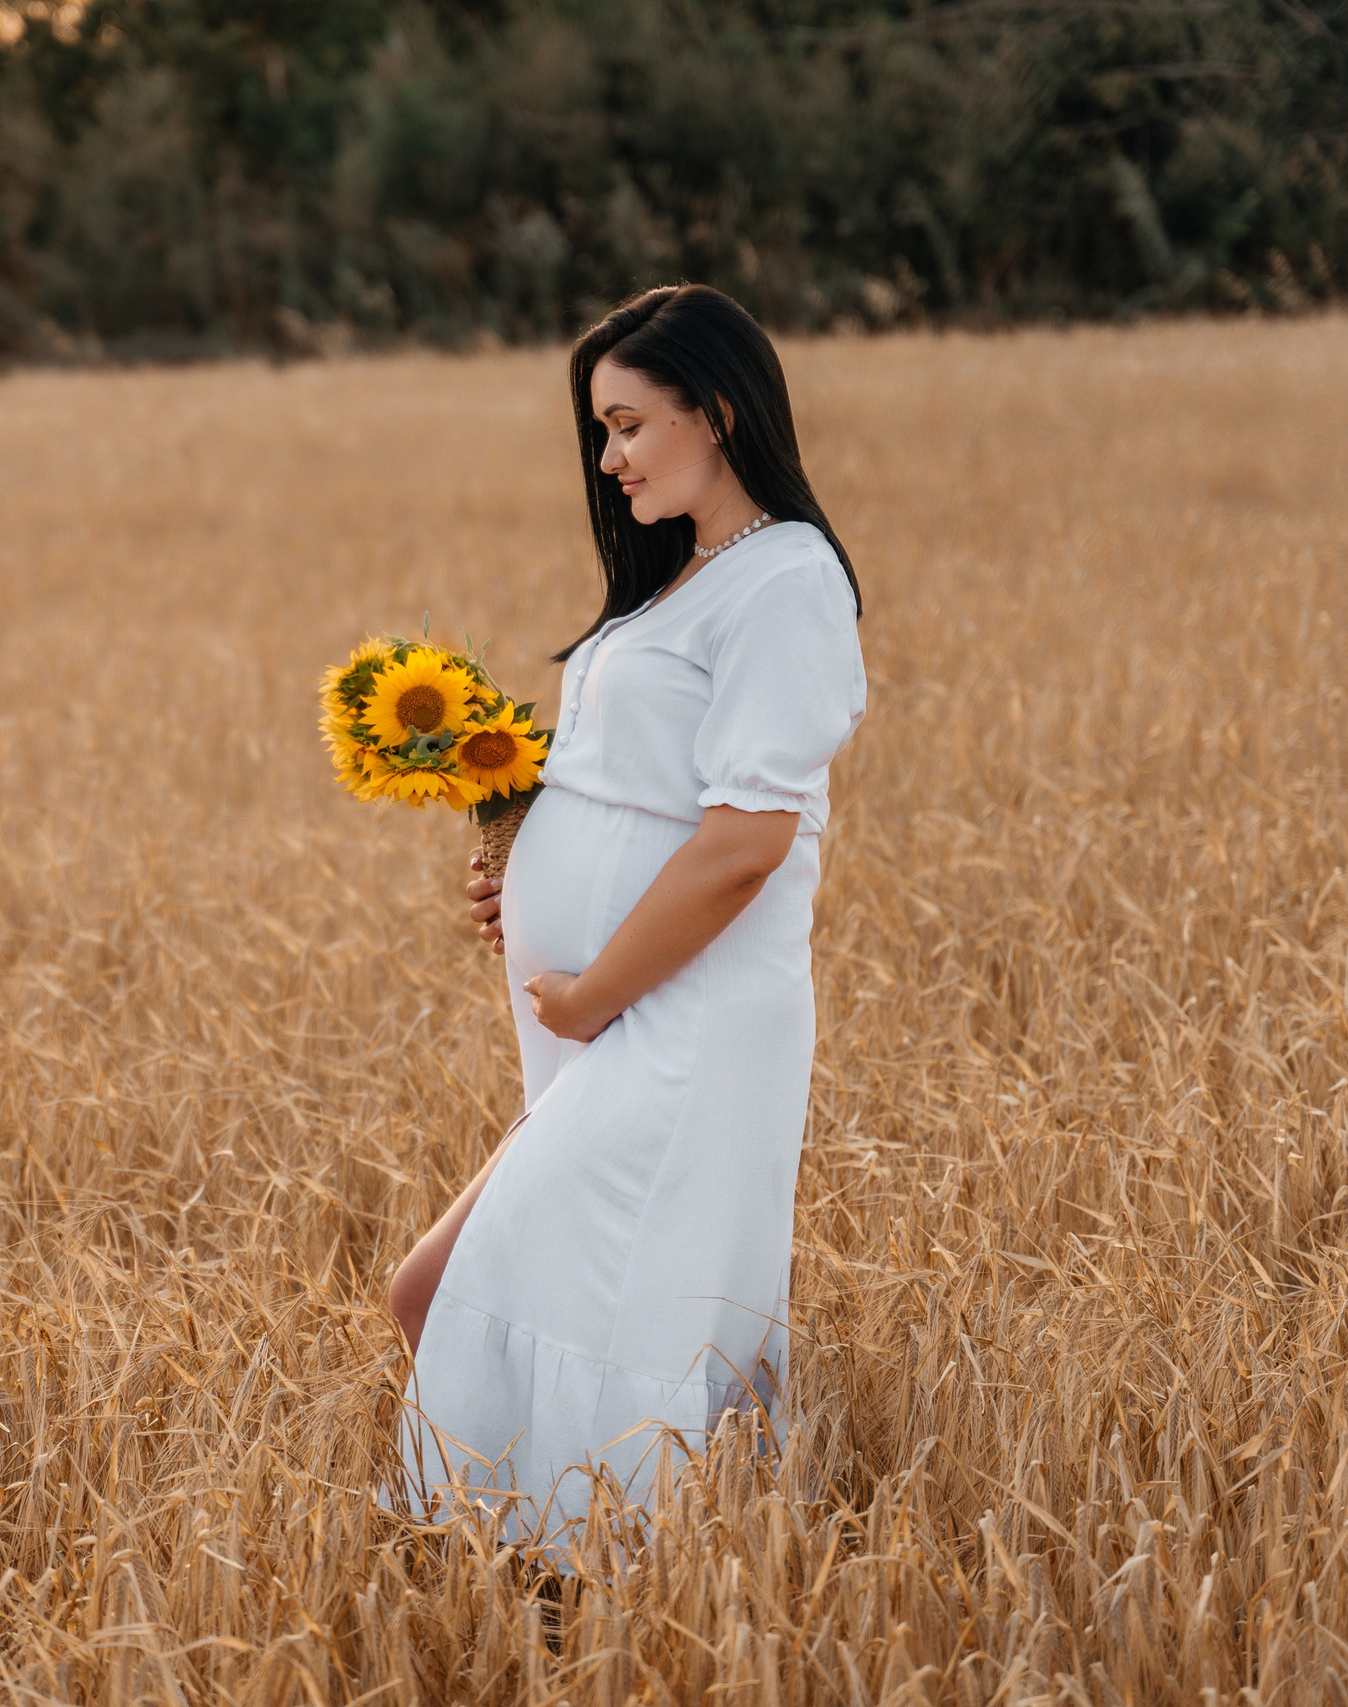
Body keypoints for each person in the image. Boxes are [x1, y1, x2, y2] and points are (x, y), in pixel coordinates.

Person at [387, 283, 867, 1551]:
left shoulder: (786, 582)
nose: (607, 458)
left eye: (628, 424)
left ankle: (621, 1589)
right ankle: (569, 1593)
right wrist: (522, 855)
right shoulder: (682, 578)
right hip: (607, 1023)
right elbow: (637, 791)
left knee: (446, 1292)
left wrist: (594, 988)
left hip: (676, 1022)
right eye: (599, 430)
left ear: (714, 411)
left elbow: (747, 842)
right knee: (459, 1295)